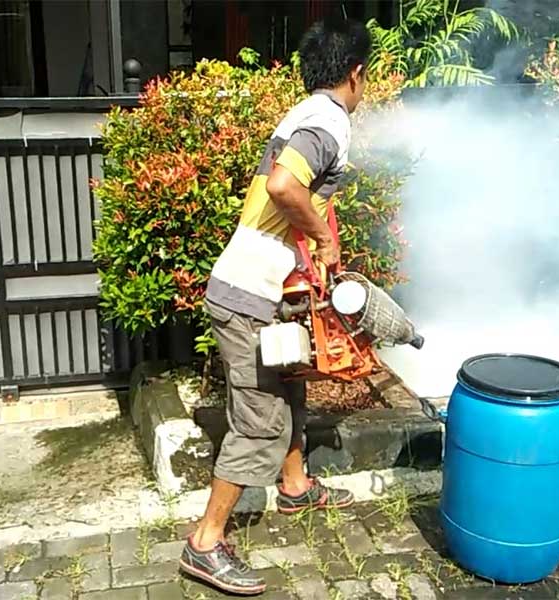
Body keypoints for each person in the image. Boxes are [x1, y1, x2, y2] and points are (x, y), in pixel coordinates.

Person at [179, 19, 371, 596]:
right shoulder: (328, 122)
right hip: (246, 294)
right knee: (259, 419)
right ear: (356, 74)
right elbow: (287, 188)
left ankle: (295, 487)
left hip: (257, 285)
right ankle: (206, 543)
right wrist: (325, 237)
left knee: (289, 386)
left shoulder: (303, 111)